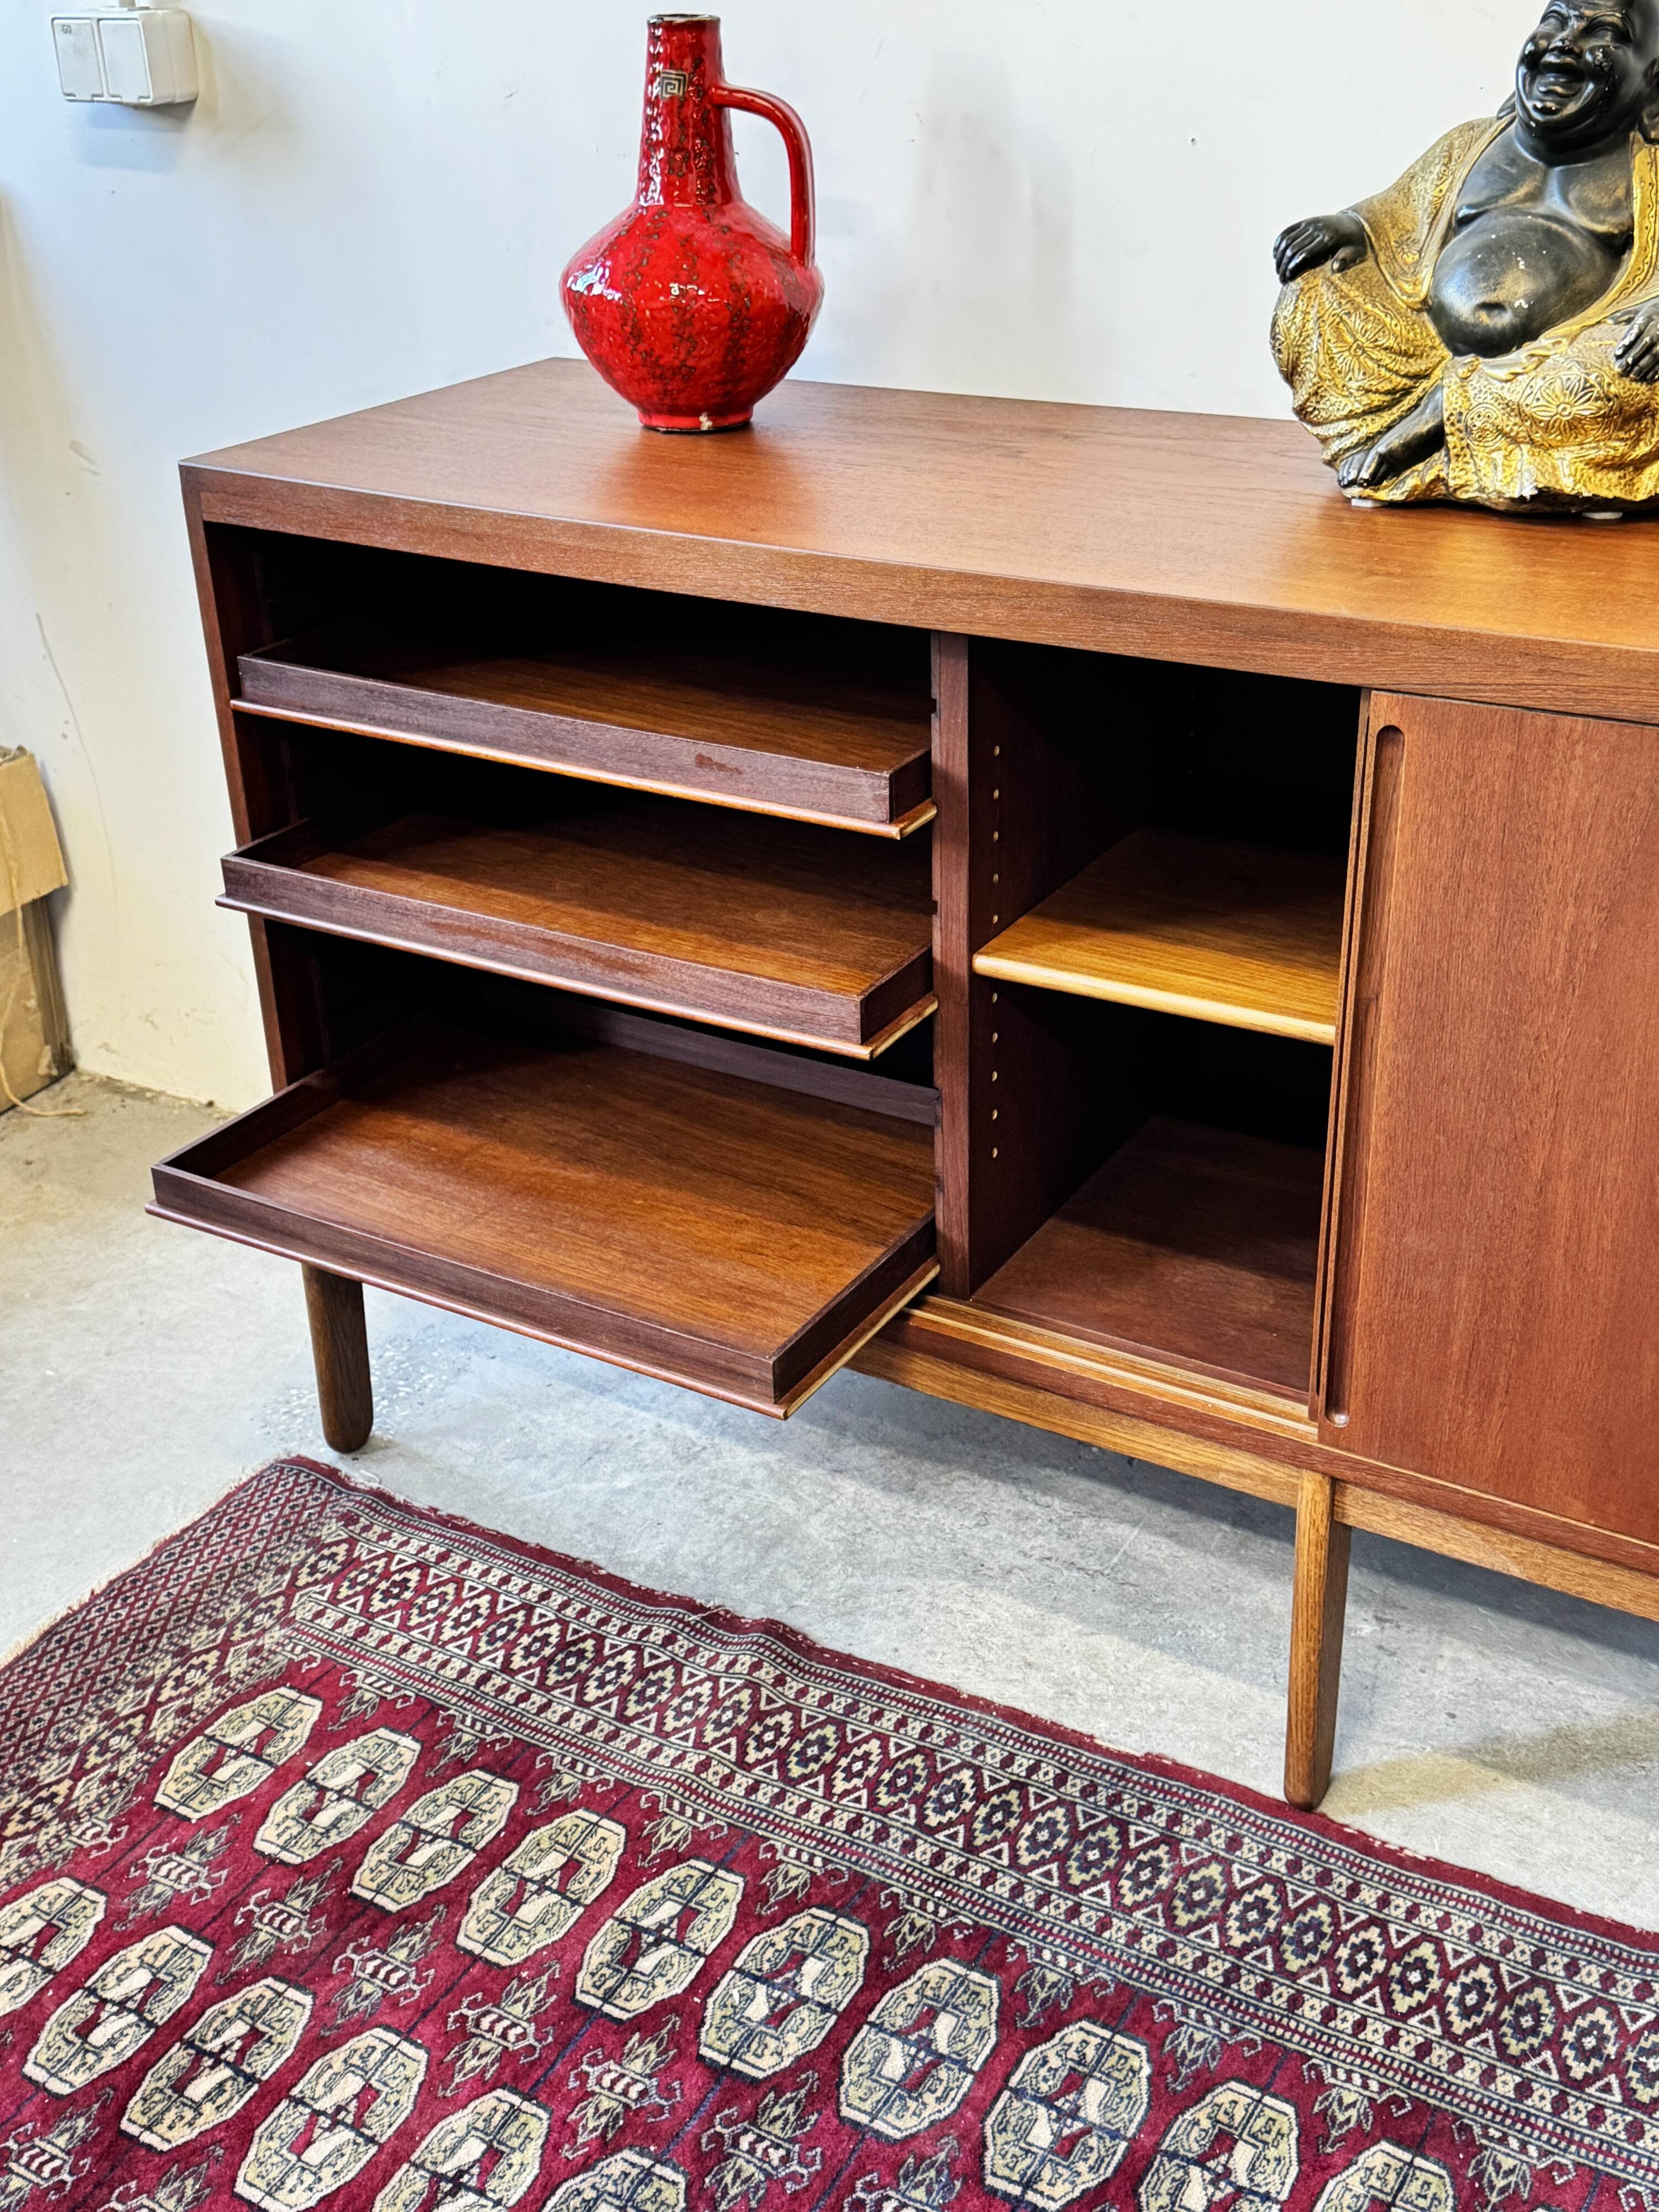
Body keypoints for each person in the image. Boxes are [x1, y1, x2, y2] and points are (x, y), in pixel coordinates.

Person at [1272, 2, 1659, 507]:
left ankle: (1439, 419)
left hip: (1560, 362)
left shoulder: (1649, 169)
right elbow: (1399, 214)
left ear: (1653, 80)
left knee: (1617, 381)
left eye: (1604, 32)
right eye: (1555, 21)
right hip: (1425, 345)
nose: (1565, 44)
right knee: (1313, 293)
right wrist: (1351, 225)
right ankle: (1433, 416)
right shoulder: (1471, 144)